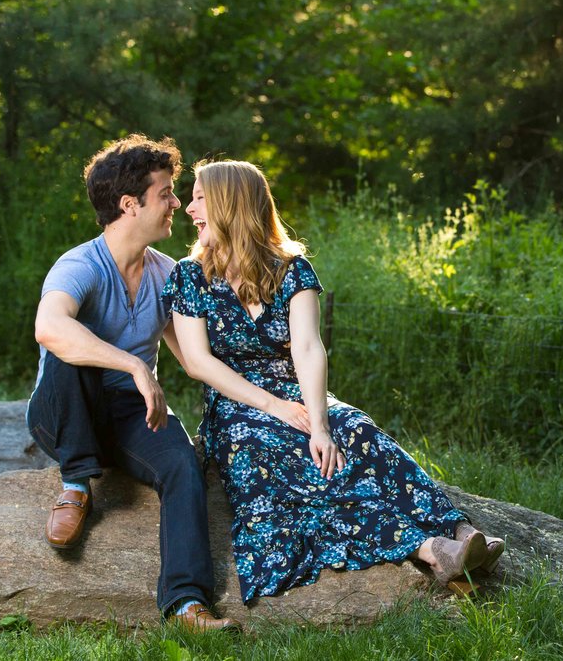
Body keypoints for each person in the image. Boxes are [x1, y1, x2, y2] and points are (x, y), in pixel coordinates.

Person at [161, 159, 504, 603]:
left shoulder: (291, 269)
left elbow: (307, 349)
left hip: (298, 393)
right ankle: (433, 551)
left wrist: (320, 423)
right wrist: (277, 409)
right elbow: (199, 362)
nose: (189, 208)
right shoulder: (190, 276)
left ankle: (463, 532)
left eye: (200, 198)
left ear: (232, 204)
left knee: (358, 431)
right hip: (238, 406)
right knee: (279, 460)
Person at [25, 134, 239, 632]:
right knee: (71, 348)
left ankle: (187, 604)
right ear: (129, 204)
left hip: (127, 415)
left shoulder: (168, 274)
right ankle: (77, 484)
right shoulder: (79, 264)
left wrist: (274, 402)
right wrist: (136, 365)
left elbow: (195, 360)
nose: (177, 204)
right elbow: (49, 328)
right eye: (166, 193)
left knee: (183, 463)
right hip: (64, 410)